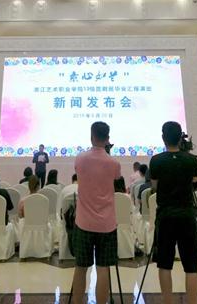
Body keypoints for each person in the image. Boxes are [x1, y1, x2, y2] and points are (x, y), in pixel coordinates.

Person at [149, 121, 197, 304]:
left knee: (164, 264)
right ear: (180, 138)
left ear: (163, 138)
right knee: (191, 267)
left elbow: (155, 186)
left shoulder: (156, 160)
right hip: (187, 215)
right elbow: (195, 183)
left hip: (165, 216)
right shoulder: (191, 160)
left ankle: (168, 301)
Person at [71, 122, 121, 304]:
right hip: (107, 224)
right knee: (103, 268)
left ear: (91, 136)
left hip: (83, 222)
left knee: (80, 268)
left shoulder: (80, 159)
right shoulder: (114, 163)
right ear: (108, 138)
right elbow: (116, 178)